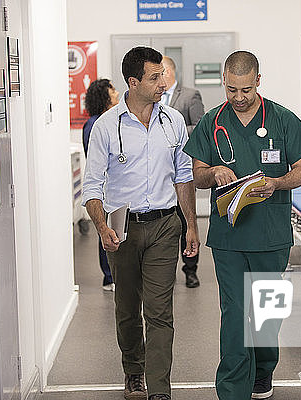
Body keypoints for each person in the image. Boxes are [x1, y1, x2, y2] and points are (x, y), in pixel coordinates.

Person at [183, 51, 301, 399]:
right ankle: (232, 388)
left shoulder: (282, 119)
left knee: (265, 312)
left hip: (271, 235)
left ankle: (263, 370)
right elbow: (196, 175)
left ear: (258, 80)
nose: (238, 97)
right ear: (223, 83)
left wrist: (276, 183)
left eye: (245, 89)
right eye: (231, 89)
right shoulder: (211, 123)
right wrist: (213, 173)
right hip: (228, 236)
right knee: (233, 311)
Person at [81, 46, 200, 400]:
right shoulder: (106, 127)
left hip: (165, 225)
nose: (163, 82)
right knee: (127, 309)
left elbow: (183, 176)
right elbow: (92, 185)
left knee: (160, 312)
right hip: (124, 228)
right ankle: (134, 370)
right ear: (133, 83)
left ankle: (159, 389)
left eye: (162, 74)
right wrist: (103, 227)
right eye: (154, 77)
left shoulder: (173, 122)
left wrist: (191, 224)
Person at [161, 56, 205, 288]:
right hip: (160, 173)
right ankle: (165, 271)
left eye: (159, 73)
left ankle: (190, 270)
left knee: (186, 220)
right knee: (166, 225)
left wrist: (173, 129)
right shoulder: (153, 99)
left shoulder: (190, 95)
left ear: (168, 72)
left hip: (183, 169)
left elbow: (200, 127)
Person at [82, 78, 120, 291]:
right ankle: (109, 277)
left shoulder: (109, 120)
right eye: (112, 90)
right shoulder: (96, 124)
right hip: (103, 188)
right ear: (104, 95)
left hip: (112, 187)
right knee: (104, 229)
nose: (116, 93)